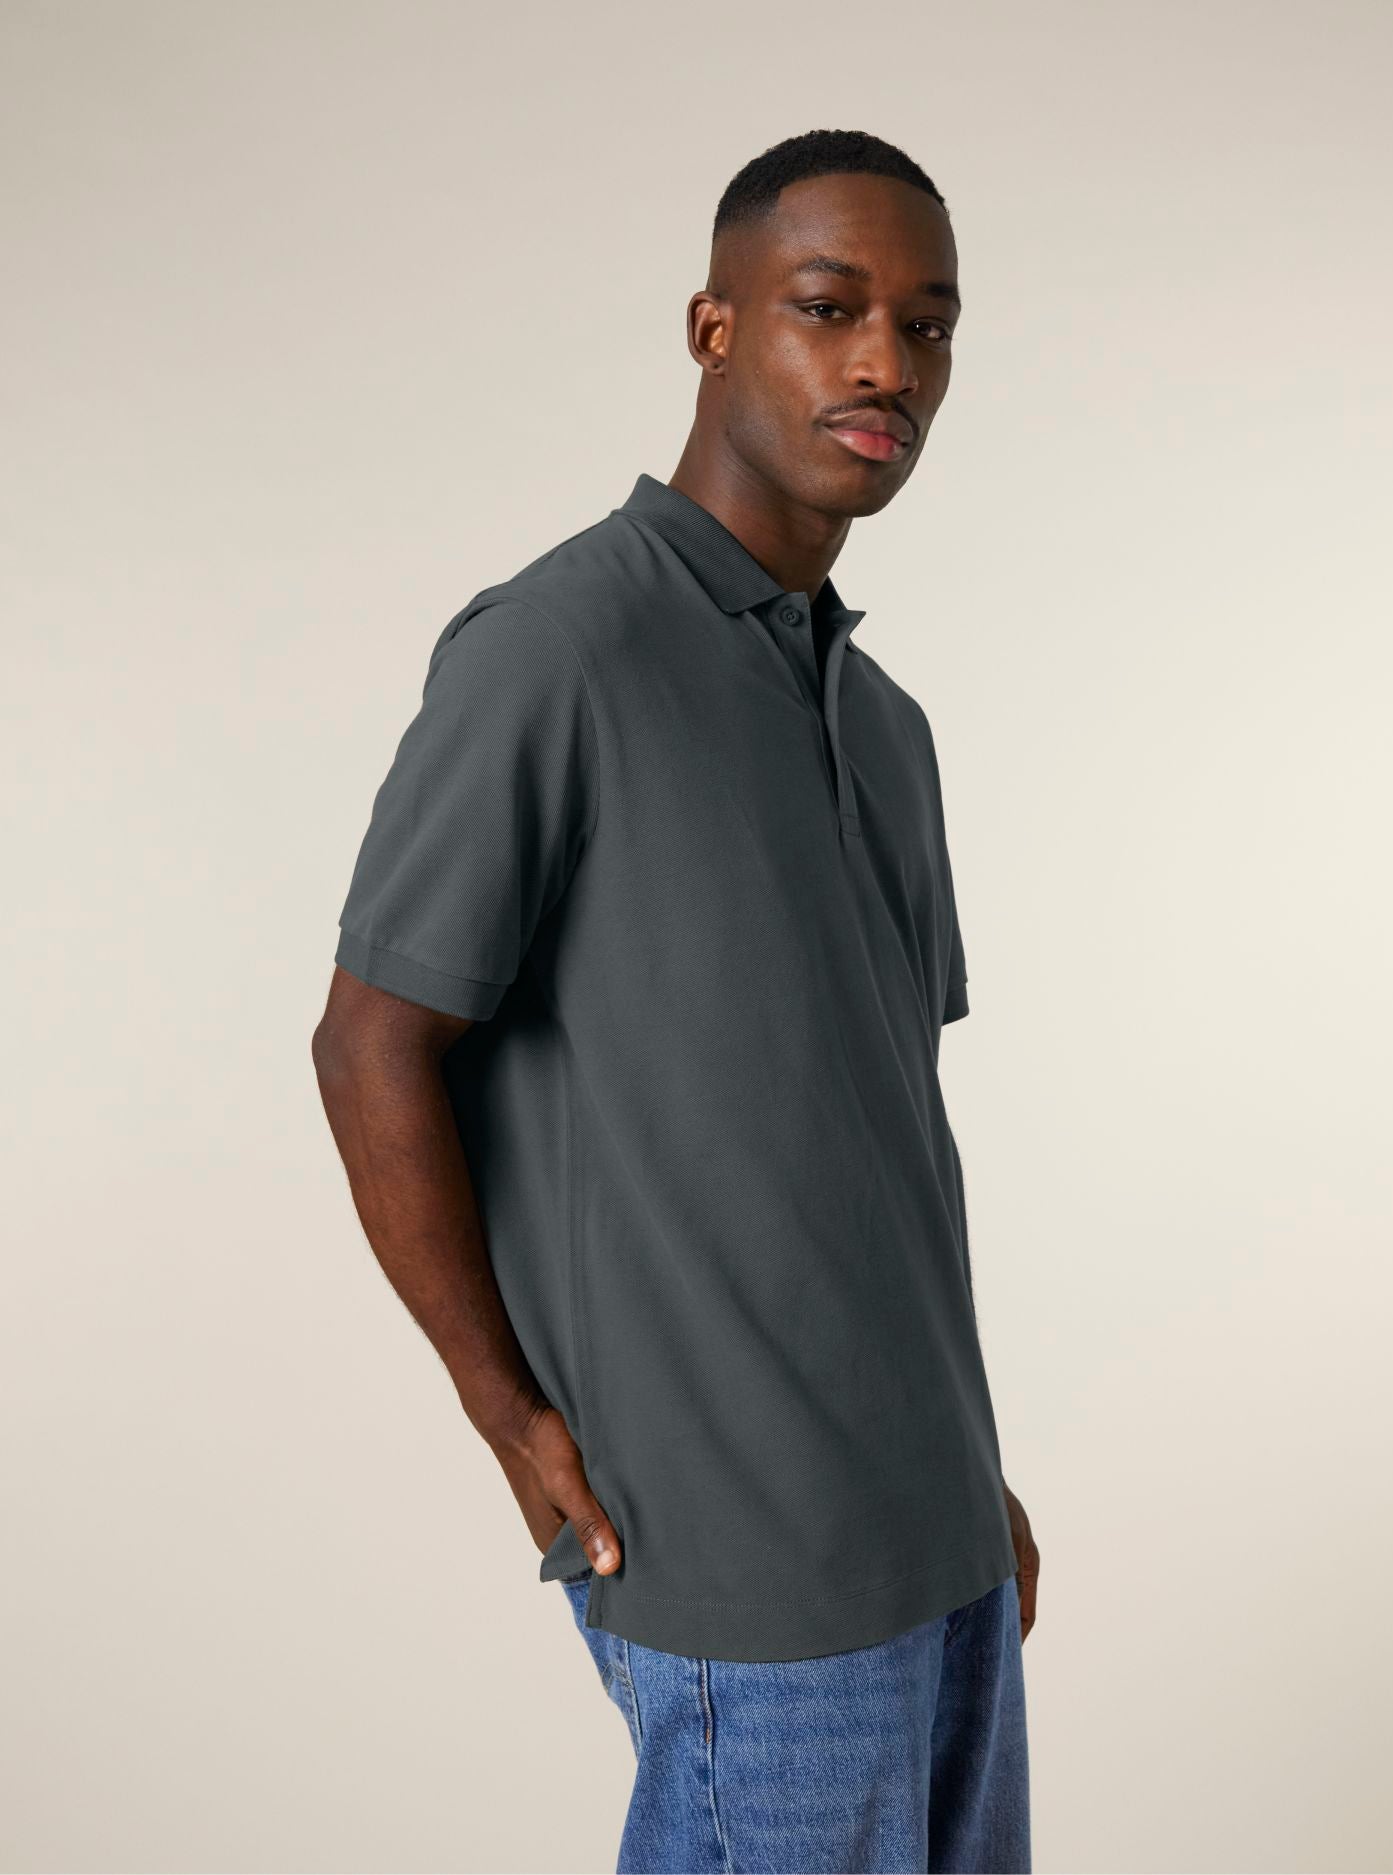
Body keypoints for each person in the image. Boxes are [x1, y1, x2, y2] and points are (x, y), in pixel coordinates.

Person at [312, 126, 1040, 1875]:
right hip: (740, 1571)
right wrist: (507, 1415)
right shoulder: (557, 650)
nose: (888, 363)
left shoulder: (888, 728)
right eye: (829, 307)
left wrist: (971, 1472)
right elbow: (371, 1043)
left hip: (942, 1544)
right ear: (714, 329)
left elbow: (875, 1154)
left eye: (929, 326)